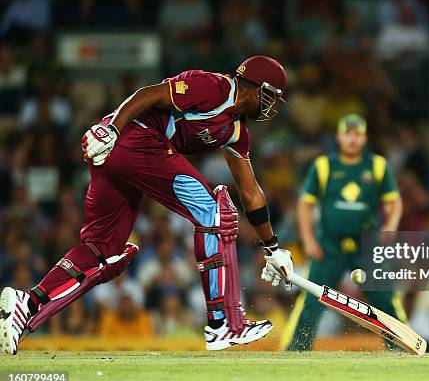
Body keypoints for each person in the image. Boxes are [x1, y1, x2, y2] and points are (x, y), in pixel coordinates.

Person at [0, 55, 294, 355]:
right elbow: (148, 94)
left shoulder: (235, 130)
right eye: (272, 97)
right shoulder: (213, 87)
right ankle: (222, 325)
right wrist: (112, 129)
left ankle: (29, 302)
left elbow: (251, 192)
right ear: (259, 89)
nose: (271, 106)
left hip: (124, 153)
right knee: (212, 212)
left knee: (103, 249)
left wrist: (272, 248)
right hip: (134, 139)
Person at [281, 113, 404, 351]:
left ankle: (402, 345)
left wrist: (391, 224)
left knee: (386, 299)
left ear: (365, 137)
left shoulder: (377, 165)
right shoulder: (324, 166)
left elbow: (394, 201)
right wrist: (308, 240)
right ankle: (296, 349)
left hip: (367, 246)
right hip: (328, 246)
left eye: (357, 134)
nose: (352, 139)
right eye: (348, 133)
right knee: (311, 300)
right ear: (338, 137)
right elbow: (304, 203)